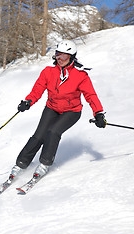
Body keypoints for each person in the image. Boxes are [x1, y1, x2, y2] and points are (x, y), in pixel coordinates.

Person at [9, 40, 107, 181]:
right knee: (39, 135)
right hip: (52, 108)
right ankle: (20, 164)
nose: (60, 59)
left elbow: (90, 95)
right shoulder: (48, 72)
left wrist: (98, 113)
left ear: (72, 57)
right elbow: (37, 90)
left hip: (72, 111)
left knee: (53, 132)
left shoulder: (81, 75)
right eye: (58, 55)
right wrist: (28, 101)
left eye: (64, 56)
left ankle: (44, 164)